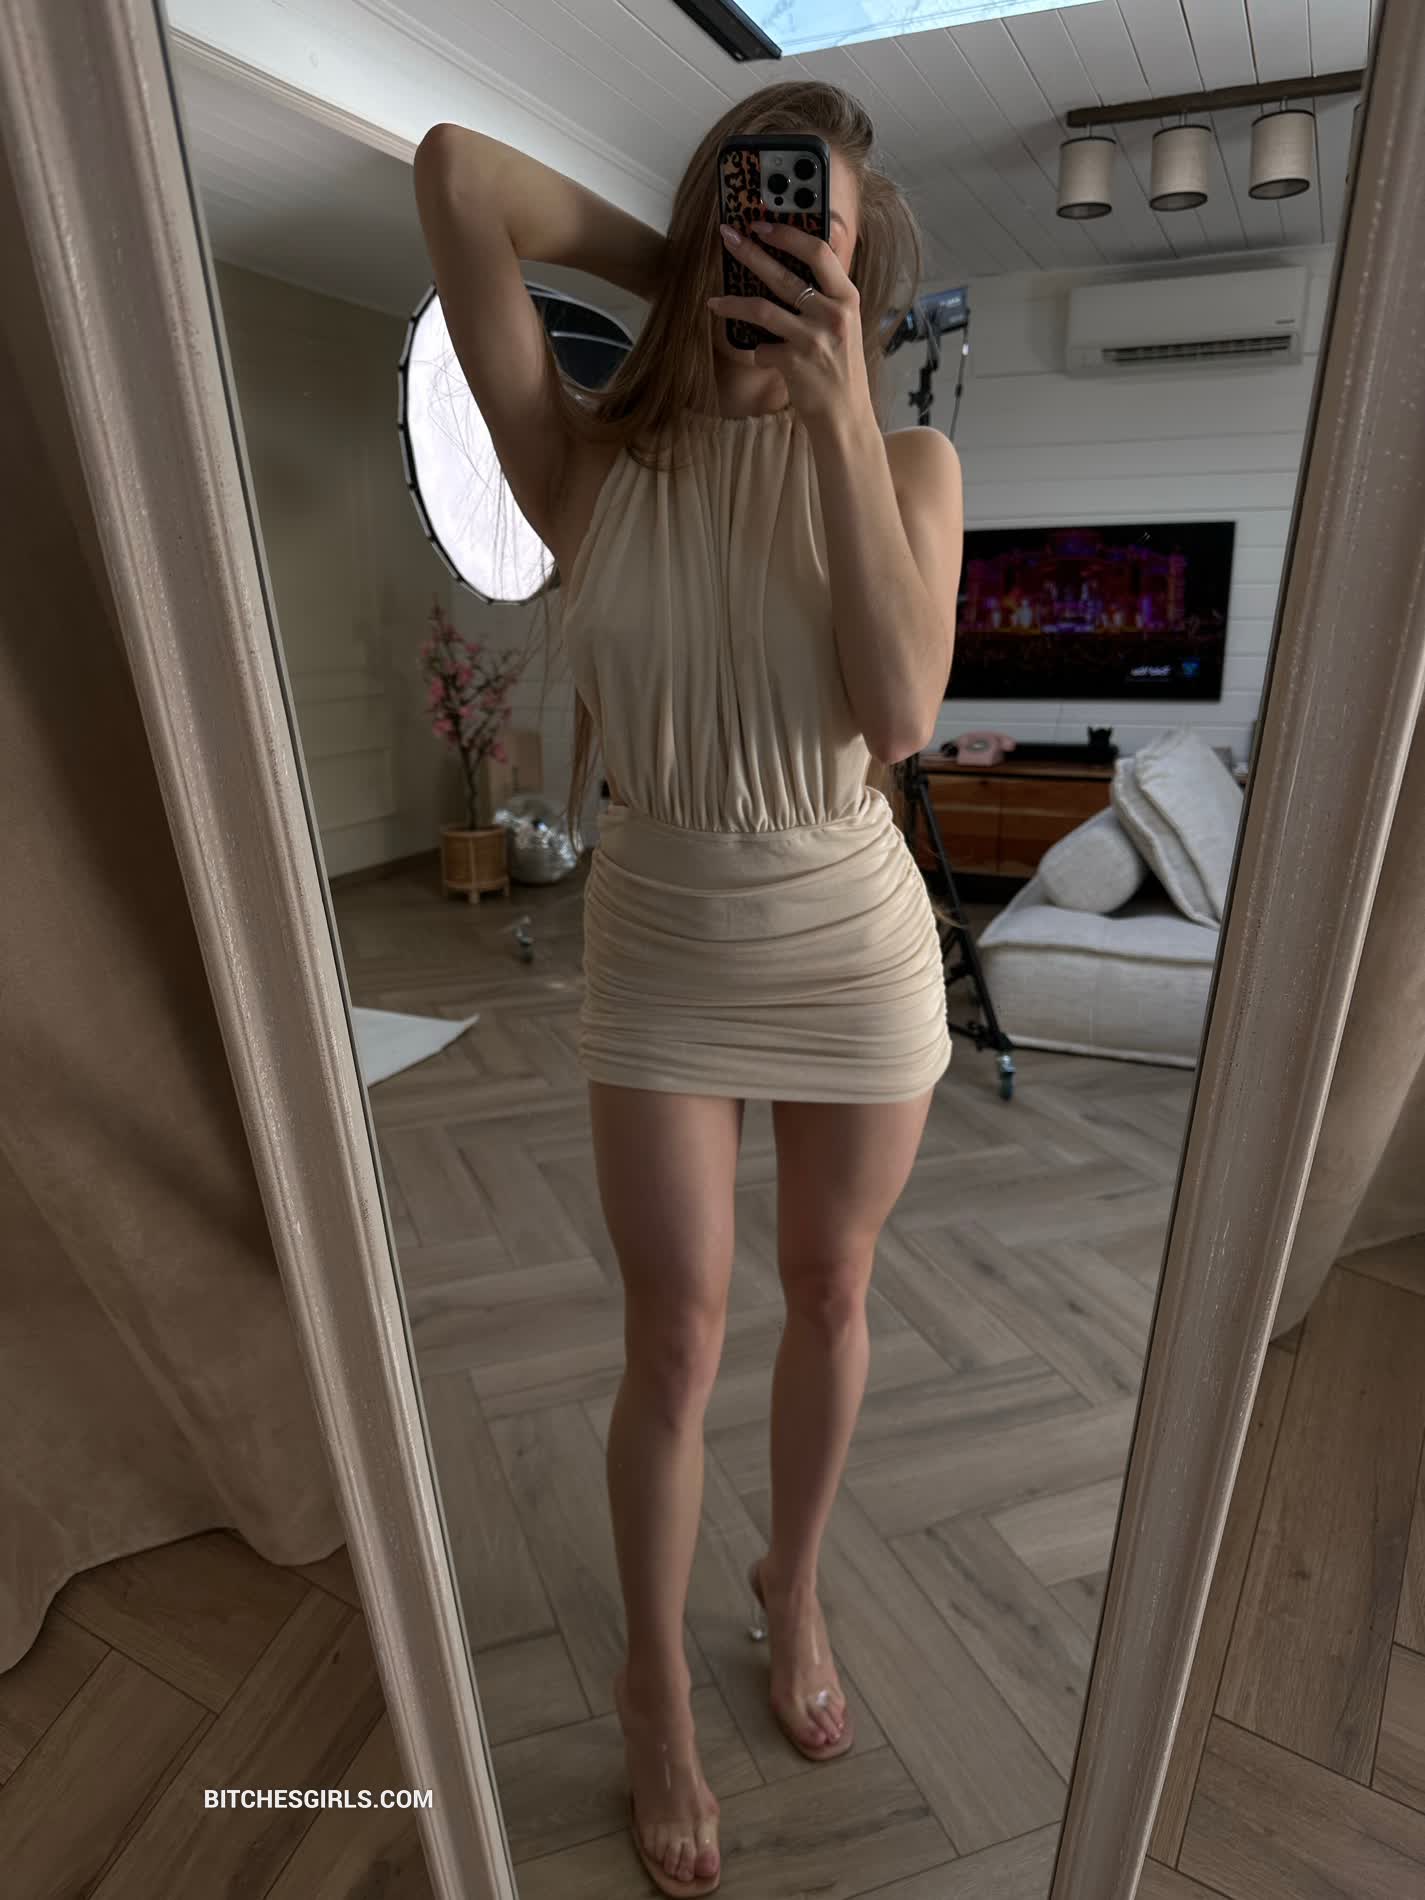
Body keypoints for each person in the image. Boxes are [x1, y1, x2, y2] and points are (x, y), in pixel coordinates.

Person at [414, 80, 961, 1898]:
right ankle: (651, 1686)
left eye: (814, 230)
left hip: (850, 936)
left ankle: (788, 1586)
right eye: (753, 212)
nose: (780, 248)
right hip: (659, 942)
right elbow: (456, 174)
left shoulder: (907, 470)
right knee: (673, 1337)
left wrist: (833, 400)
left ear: (861, 267)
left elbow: (898, 714)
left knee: (833, 1285)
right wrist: (687, 270)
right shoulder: (577, 462)